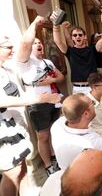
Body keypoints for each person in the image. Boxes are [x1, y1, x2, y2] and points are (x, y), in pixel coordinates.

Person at [0, 33, 61, 196]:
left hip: (16, 126)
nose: (13, 50)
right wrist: (38, 98)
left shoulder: (6, 69)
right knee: (11, 173)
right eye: (8, 47)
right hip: (4, 131)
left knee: (21, 170)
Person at [16, 16, 65, 176]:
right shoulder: (25, 62)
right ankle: (48, 165)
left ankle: (54, 157)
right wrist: (35, 23)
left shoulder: (47, 62)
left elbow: (61, 78)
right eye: (35, 43)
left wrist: (51, 79)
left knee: (53, 132)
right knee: (43, 136)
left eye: (40, 43)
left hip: (54, 102)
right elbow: (24, 43)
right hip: (38, 105)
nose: (38, 44)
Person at [52, 7, 102, 94]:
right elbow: (58, 41)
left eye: (80, 35)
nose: (77, 36)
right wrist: (55, 25)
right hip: (78, 89)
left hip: (93, 88)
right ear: (72, 38)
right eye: (75, 35)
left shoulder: (92, 49)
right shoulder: (70, 51)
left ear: (84, 36)